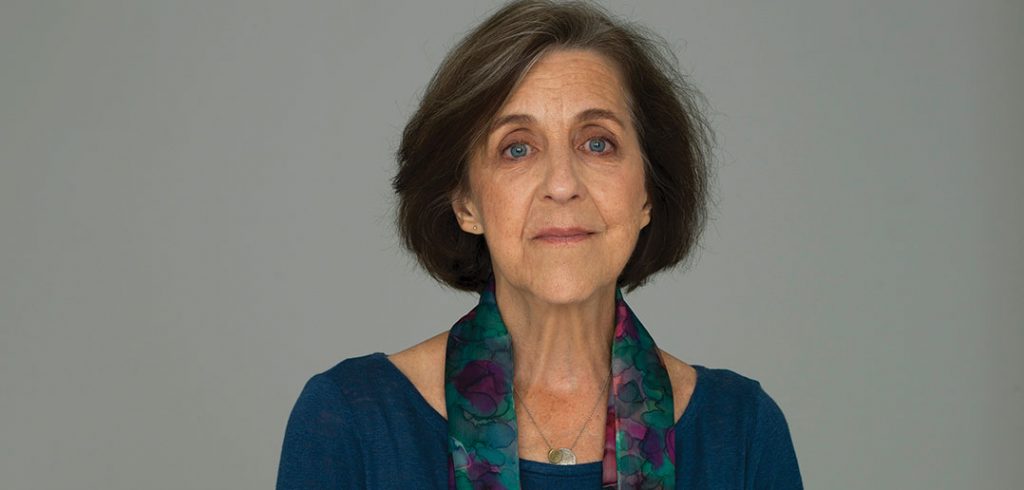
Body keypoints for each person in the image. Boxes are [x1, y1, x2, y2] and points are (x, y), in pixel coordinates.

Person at [276, 0, 802, 488]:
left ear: (647, 192)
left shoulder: (742, 434)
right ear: (466, 203)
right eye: (517, 149)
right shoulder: (350, 422)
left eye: (598, 143)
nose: (562, 183)